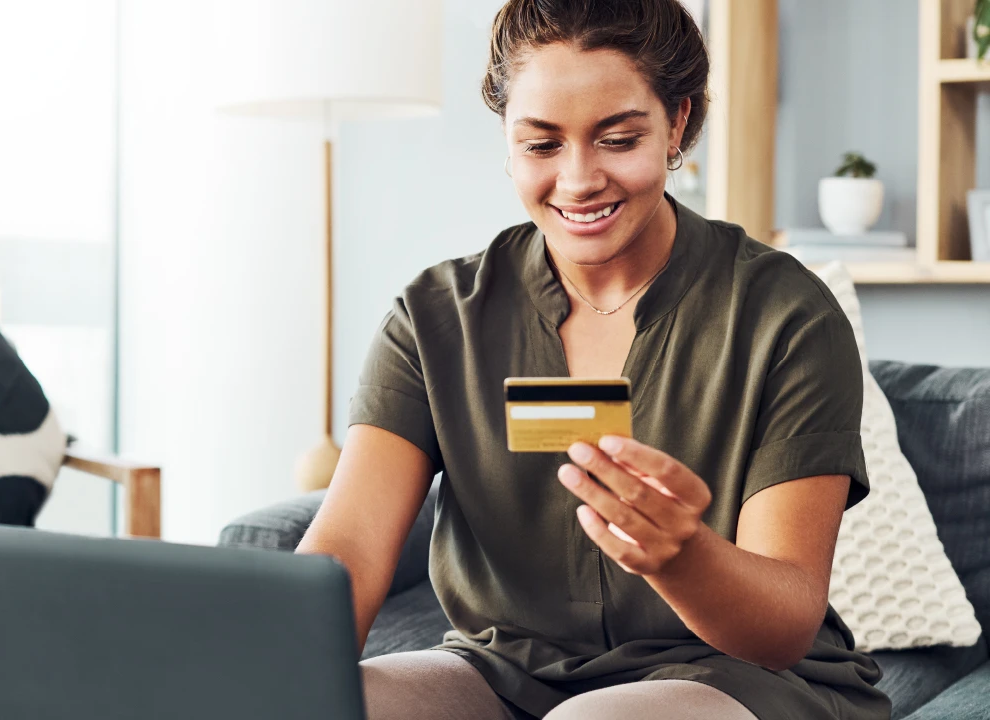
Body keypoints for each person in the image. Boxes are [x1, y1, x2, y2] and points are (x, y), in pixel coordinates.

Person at [293, 1, 891, 719]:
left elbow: (784, 625)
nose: (578, 181)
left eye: (616, 138)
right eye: (542, 145)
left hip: (735, 677)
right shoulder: (433, 318)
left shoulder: (785, 316)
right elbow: (349, 550)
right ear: (508, 140)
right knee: (324, 700)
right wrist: (270, 679)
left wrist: (681, 555)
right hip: (500, 670)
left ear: (677, 123)